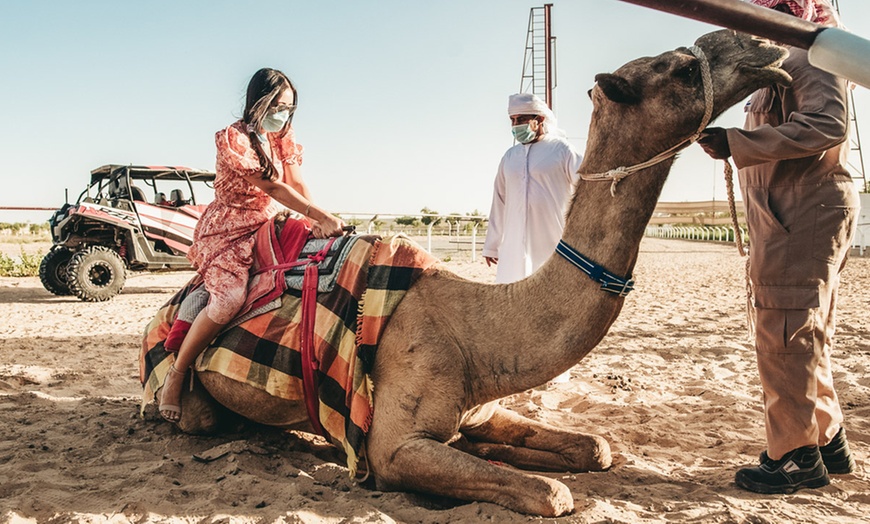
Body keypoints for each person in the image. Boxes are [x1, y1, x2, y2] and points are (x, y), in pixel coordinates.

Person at [698, 0, 858, 494]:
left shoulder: (810, 55)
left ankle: (793, 456)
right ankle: (825, 439)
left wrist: (737, 144)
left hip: (800, 211)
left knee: (783, 331)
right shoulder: (781, 62)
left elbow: (828, 125)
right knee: (803, 330)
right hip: (788, 211)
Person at [158, 68, 344, 423]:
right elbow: (273, 187)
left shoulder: (283, 139)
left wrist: (320, 220)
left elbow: (296, 185)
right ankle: (178, 373)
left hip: (270, 223)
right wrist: (318, 214)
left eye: (289, 108)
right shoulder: (234, 139)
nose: (283, 114)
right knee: (228, 300)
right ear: (258, 102)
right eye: (277, 105)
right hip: (230, 231)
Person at [482, 92, 583, 383]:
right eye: (512, 120)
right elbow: (499, 201)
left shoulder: (562, 151)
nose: (516, 125)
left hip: (552, 241)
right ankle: (515, 367)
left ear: (539, 120)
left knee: (551, 306)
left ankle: (554, 372)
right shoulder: (509, 157)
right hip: (513, 244)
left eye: (521, 119)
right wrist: (493, 243)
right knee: (511, 303)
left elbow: (586, 189)